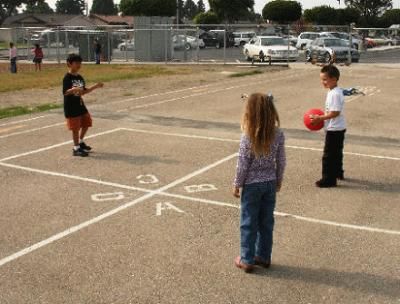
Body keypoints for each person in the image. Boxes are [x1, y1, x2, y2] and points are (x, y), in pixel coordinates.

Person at [233, 93, 286, 273]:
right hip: (269, 183)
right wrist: (278, 179)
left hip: (252, 186)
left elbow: (242, 163)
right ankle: (263, 256)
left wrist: (237, 184)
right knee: (266, 222)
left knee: (248, 222)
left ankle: (247, 259)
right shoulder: (278, 134)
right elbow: (281, 160)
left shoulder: (248, 136)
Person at [311, 65, 346, 188]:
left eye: (325, 79)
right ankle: (338, 173)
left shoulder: (334, 94)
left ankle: (328, 179)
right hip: (338, 128)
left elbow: (335, 112)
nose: (323, 82)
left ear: (334, 79)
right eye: (322, 79)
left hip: (334, 129)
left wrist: (319, 118)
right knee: (337, 153)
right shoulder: (335, 91)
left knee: (328, 156)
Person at [63, 54, 104, 157]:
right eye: (76, 63)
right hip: (71, 106)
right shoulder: (67, 77)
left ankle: (80, 142)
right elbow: (65, 92)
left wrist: (95, 86)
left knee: (87, 123)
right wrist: (73, 90)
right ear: (69, 64)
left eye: (79, 63)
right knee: (75, 128)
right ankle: (76, 148)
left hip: (80, 104)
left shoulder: (80, 77)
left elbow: (83, 92)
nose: (78, 65)